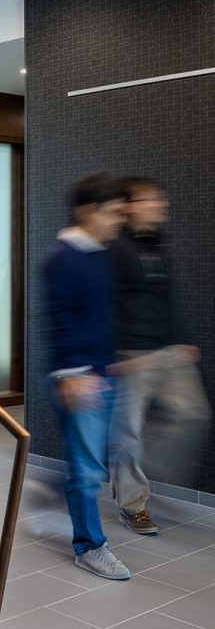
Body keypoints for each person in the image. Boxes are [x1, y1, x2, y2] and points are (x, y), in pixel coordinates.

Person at [109, 177, 211, 534]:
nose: (160, 206)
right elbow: (106, 305)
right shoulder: (115, 249)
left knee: (194, 414)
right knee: (128, 433)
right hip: (132, 353)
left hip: (167, 350)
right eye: (151, 201)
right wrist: (115, 353)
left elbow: (165, 299)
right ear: (129, 206)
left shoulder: (157, 246)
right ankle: (133, 506)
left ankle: (134, 463)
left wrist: (180, 340)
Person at [43, 174, 131, 580]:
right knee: (86, 469)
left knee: (93, 464)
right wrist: (73, 374)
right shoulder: (63, 259)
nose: (120, 220)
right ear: (86, 211)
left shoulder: (103, 255)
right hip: (80, 379)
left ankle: (64, 494)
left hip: (103, 373)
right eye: (113, 212)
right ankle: (89, 547)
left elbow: (100, 317)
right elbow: (60, 322)